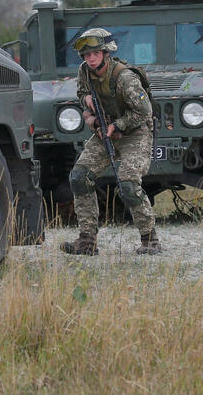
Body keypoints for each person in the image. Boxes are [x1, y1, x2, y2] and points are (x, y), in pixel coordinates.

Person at [60, 28, 162, 256]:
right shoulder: (84, 72)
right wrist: (88, 108)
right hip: (104, 131)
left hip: (134, 133)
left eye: (95, 53)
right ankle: (87, 241)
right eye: (86, 55)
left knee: (128, 185)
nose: (91, 58)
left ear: (106, 53)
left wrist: (118, 126)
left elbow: (145, 112)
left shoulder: (125, 77)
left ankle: (150, 239)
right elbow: (81, 94)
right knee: (79, 177)